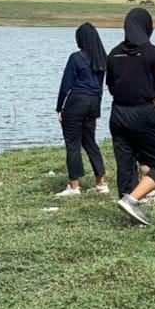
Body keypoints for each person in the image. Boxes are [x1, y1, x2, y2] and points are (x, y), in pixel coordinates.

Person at [106, 8, 155, 225]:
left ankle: (131, 213)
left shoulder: (113, 53)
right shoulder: (154, 53)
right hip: (143, 114)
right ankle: (133, 200)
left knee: (125, 164)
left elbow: (110, 86)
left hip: (117, 114)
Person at [54, 22, 108, 197]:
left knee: (72, 144)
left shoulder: (76, 58)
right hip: (93, 102)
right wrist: (97, 113)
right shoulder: (102, 59)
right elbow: (100, 88)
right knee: (90, 142)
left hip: (76, 102)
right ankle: (101, 183)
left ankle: (74, 186)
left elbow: (66, 85)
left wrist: (59, 107)